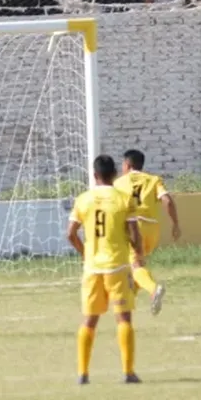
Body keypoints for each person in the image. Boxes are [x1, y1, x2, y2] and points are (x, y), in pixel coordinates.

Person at [67, 154, 146, 385]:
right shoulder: (123, 199)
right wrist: (138, 255)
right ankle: (128, 372)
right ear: (114, 174)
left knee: (89, 320)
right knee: (123, 318)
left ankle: (83, 374)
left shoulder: (83, 199)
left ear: (94, 175)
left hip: (92, 268)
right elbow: (134, 234)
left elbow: (70, 234)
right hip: (117, 266)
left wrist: (85, 254)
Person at [113, 149, 180, 316]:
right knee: (136, 265)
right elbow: (167, 200)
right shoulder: (153, 179)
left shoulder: (119, 183)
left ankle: (153, 289)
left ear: (127, 165)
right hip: (152, 229)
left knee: (136, 265)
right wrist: (175, 224)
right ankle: (128, 301)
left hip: (133, 227)